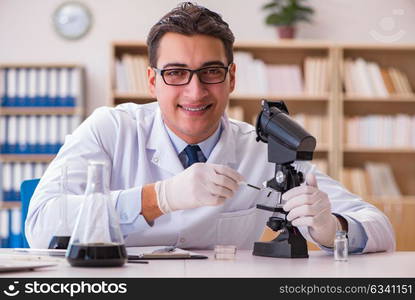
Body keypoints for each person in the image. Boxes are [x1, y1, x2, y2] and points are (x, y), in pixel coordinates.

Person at [26, 2, 395, 253]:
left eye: (211, 72)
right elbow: (41, 224)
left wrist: (333, 229)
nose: (195, 91)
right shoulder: (110, 130)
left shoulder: (263, 149)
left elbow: (380, 227)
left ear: (232, 77)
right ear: (152, 81)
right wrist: (159, 198)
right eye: (175, 73)